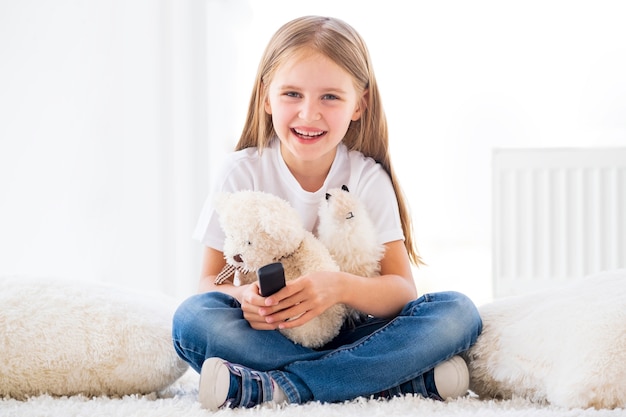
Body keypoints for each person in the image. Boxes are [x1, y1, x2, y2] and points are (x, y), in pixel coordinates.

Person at [172, 15, 482, 410]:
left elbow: (403, 291)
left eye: (330, 97)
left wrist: (338, 287)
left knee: (458, 314)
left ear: (359, 104)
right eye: (292, 95)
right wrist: (243, 296)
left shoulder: (367, 178)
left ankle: (280, 387)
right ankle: (386, 382)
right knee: (192, 319)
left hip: (358, 332)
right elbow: (208, 282)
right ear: (266, 97)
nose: (308, 114)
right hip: (272, 335)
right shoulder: (241, 172)